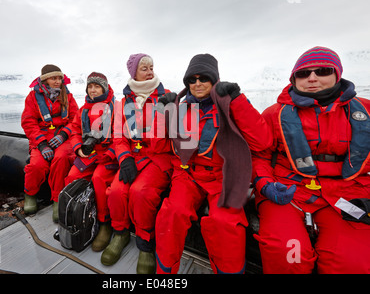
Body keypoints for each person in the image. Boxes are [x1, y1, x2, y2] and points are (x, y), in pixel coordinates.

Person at [252, 46, 370, 274]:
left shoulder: (366, 112)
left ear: (338, 74)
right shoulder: (272, 115)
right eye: (303, 73)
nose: (312, 78)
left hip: (348, 193)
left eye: (323, 71)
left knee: (351, 263)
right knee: (288, 256)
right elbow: (260, 156)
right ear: (294, 79)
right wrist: (265, 184)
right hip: (288, 191)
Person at [154, 54, 272, 274]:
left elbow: (262, 142)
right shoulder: (179, 108)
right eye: (192, 79)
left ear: (215, 80)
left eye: (204, 78)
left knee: (225, 223)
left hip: (223, 176)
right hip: (187, 174)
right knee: (172, 214)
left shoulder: (229, 105)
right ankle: (165, 274)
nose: (197, 84)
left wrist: (237, 100)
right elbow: (159, 146)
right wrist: (161, 113)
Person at [101, 54, 173, 274]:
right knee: (115, 191)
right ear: (134, 73)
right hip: (134, 157)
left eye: (151, 67)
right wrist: (125, 159)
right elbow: (119, 137)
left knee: (141, 192)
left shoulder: (168, 97)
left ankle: (145, 244)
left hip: (158, 157)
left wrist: (174, 108)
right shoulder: (123, 103)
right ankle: (120, 234)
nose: (150, 71)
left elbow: (178, 133)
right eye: (144, 68)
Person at [64, 72, 118, 252]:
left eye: (97, 86)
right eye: (90, 87)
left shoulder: (116, 107)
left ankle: (104, 223)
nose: (93, 90)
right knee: (72, 176)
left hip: (108, 155)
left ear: (104, 87)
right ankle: (76, 216)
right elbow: (74, 131)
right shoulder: (83, 109)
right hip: (89, 154)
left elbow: (121, 135)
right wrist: (78, 148)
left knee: (99, 178)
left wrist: (110, 153)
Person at [21, 64, 78, 222]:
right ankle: (30, 195)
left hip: (62, 137)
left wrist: (64, 134)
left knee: (61, 160)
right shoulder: (32, 98)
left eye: (60, 78)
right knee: (36, 165)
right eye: (54, 78)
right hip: (42, 137)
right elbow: (28, 123)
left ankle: (56, 200)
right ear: (45, 80)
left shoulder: (68, 96)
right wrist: (41, 144)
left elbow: (75, 119)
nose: (58, 81)